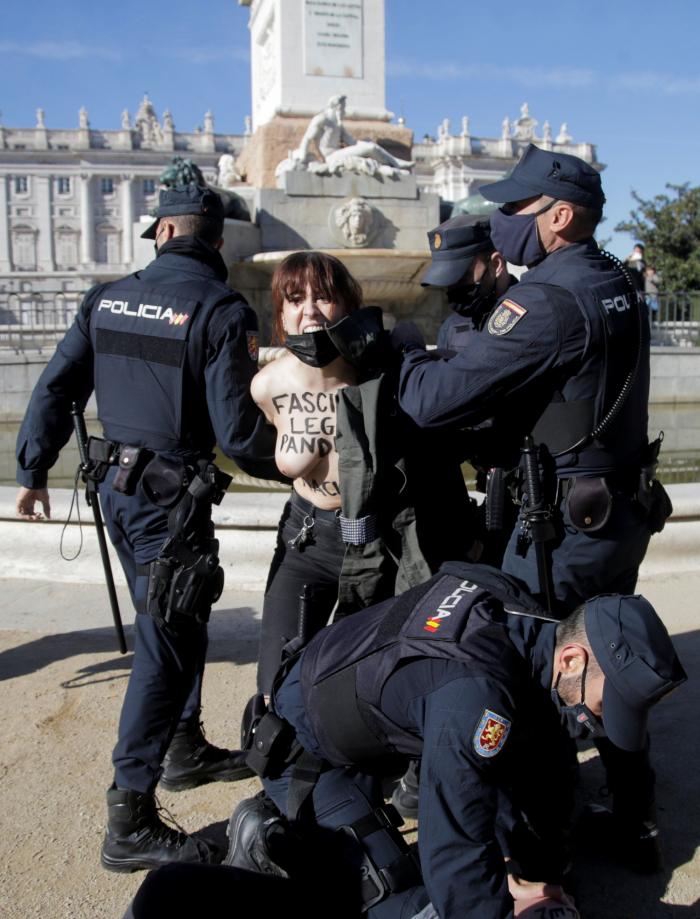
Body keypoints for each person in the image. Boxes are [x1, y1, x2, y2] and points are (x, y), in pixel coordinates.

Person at [396, 143, 674, 869]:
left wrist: (402, 350)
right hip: (618, 513)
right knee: (610, 653)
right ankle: (635, 816)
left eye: (515, 207)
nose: (501, 219)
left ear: (560, 215)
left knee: (541, 675)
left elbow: (432, 403)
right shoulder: (615, 279)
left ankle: (542, 851)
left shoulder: (546, 298)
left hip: (563, 531)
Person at [15, 184, 280, 872]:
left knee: (176, 620)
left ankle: (184, 749)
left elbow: (57, 387)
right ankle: (129, 811)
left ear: (162, 231)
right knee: (164, 643)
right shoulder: (221, 309)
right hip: (172, 505)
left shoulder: (105, 298)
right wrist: (304, 466)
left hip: (117, 493)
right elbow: (239, 434)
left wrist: (33, 469)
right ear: (216, 242)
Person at [225, 562, 685, 918]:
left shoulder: (531, 623)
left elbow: (542, 764)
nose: (596, 723)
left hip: (375, 715)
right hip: (308, 750)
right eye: (604, 706)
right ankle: (265, 836)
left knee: (543, 801)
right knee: (399, 900)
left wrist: (536, 870)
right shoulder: (475, 699)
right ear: (571, 658)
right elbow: (456, 854)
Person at [250, 251, 361, 696]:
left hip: (372, 543)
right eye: (295, 298)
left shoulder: (375, 373)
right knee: (275, 684)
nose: (310, 309)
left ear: (347, 305)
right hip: (307, 538)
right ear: (281, 312)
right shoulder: (267, 385)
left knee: (355, 681)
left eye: (324, 296)